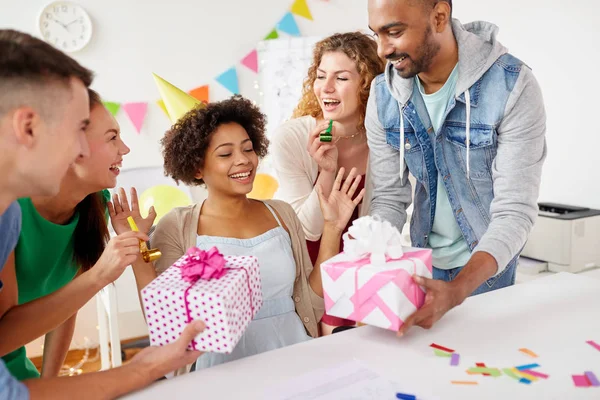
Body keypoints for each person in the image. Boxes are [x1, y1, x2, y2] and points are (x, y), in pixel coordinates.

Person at [0, 28, 204, 399]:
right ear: (27, 127)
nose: (78, 148)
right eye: (80, 129)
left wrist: (149, 365)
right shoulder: (13, 214)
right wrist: (146, 366)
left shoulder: (10, 218)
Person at [365, 0, 546, 334]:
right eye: (376, 34)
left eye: (394, 32)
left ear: (439, 17)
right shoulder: (383, 96)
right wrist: (366, 270)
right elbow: (389, 198)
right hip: (420, 266)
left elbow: (514, 212)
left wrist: (458, 289)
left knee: (481, 371)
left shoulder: (511, 85)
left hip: (486, 270)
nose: (382, 49)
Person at [151, 95, 365, 370]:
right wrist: (137, 259)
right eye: (226, 154)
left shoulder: (281, 213)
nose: (243, 161)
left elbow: (312, 299)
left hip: (293, 355)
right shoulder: (176, 226)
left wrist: (332, 229)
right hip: (222, 370)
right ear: (197, 166)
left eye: (248, 149)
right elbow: (167, 321)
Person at [0, 89, 157, 380]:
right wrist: (99, 274)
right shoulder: (8, 206)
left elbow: (66, 306)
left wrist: (50, 383)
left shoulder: (96, 205)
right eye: (112, 138)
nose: (125, 149)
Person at [271, 32, 384, 334]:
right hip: (309, 273)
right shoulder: (291, 139)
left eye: (341, 78)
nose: (326, 88)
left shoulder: (383, 141)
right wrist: (327, 171)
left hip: (363, 270)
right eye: (321, 76)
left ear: (368, 83)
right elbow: (308, 229)